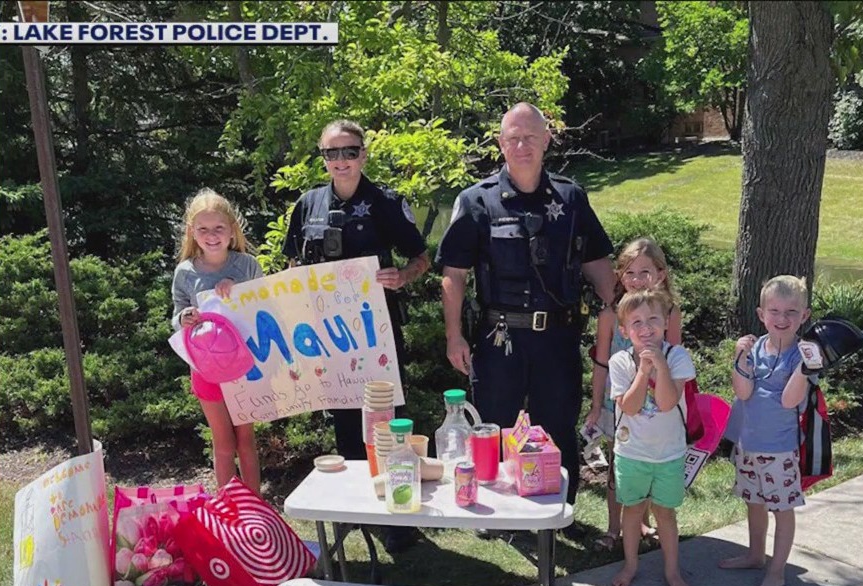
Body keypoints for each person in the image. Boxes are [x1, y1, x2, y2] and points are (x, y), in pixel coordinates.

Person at [437, 102, 617, 512]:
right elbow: (454, 274)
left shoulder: (571, 198)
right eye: (513, 138)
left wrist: (618, 316)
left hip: (558, 336)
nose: (522, 145)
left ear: (546, 140)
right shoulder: (477, 200)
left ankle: (559, 511)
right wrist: (454, 335)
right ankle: (497, 512)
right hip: (499, 338)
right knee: (494, 429)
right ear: (501, 143)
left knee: (557, 426)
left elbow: (597, 264)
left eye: (530, 137)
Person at [281, 119, 430, 553]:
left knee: (389, 424)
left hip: (377, 335)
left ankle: (399, 517)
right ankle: (355, 513)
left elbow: (421, 257)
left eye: (349, 151)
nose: (341, 160)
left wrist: (402, 276)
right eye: (332, 153)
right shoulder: (306, 205)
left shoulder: (386, 203)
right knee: (344, 426)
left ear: (363, 154)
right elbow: (292, 266)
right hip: (328, 339)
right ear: (322, 157)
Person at [719, 275, 813, 586]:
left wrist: (806, 368)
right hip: (749, 446)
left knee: (781, 510)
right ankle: (755, 554)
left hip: (779, 451)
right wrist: (739, 358)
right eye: (774, 310)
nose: (782, 318)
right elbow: (743, 391)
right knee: (754, 502)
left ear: (805, 316)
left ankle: (777, 572)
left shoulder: (802, 356)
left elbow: (789, 401)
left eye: (791, 312)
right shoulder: (756, 347)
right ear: (761, 314)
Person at [585, 237, 682, 552]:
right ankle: (615, 530)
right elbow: (601, 362)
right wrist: (596, 404)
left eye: (645, 272)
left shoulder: (670, 313)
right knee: (619, 465)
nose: (637, 280)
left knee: (655, 464)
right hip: (622, 406)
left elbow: (675, 357)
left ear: (661, 274)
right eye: (629, 272)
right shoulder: (610, 315)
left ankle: (645, 523)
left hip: (660, 407)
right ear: (618, 276)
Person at [172, 188, 264, 494]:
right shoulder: (184, 272)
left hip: (245, 368)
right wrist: (184, 317)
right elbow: (176, 318)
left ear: (232, 229)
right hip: (206, 370)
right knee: (223, 444)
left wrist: (239, 290)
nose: (212, 235)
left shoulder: (246, 265)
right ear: (192, 233)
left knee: (246, 442)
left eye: (219, 228)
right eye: (203, 229)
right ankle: (229, 511)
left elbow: (264, 307)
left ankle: (257, 510)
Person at [607, 288, 695, 586]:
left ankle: (672, 571)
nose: (646, 329)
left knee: (666, 514)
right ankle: (631, 565)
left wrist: (661, 367)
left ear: (666, 323)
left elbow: (668, 403)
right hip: (631, 454)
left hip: (669, 454)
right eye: (637, 323)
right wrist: (643, 371)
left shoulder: (678, 356)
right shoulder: (619, 362)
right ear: (624, 331)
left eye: (653, 320)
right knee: (631, 511)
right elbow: (629, 407)